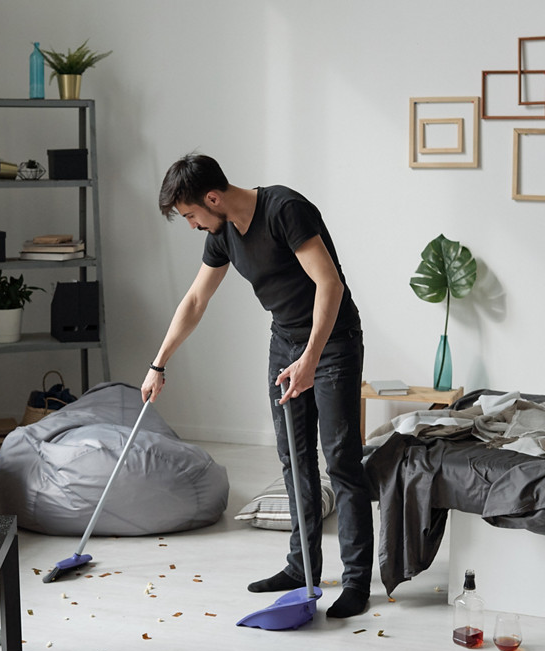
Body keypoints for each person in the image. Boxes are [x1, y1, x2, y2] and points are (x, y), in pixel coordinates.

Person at [141, 153, 372, 619]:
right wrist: (158, 363)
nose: (191, 226)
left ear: (212, 197)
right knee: (293, 458)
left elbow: (330, 286)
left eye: (190, 215)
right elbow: (195, 299)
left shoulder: (284, 209)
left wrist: (310, 360)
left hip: (332, 344)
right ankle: (301, 567)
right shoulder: (221, 232)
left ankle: (356, 581)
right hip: (285, 343)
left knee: (342, 459)